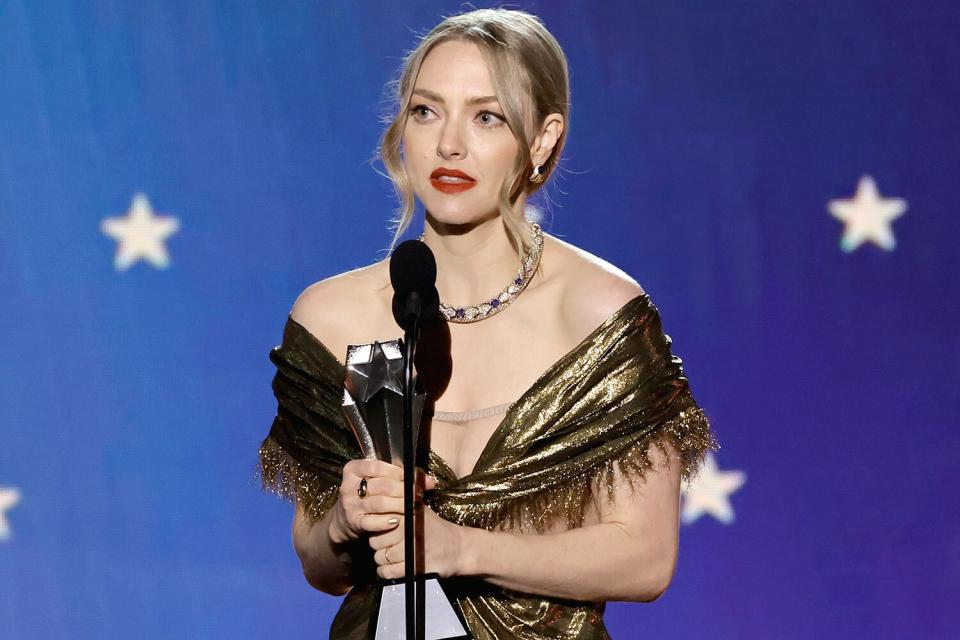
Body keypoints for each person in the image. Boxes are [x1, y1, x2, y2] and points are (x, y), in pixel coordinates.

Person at [258, 8, 719, 639]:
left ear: (543, 138)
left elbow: (645, 557)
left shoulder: (599, 315)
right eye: (426, 111)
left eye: (486, 116)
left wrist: (460, 549)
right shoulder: (331, 318)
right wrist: (343, 522)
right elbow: (320, 564)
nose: (449, 144)